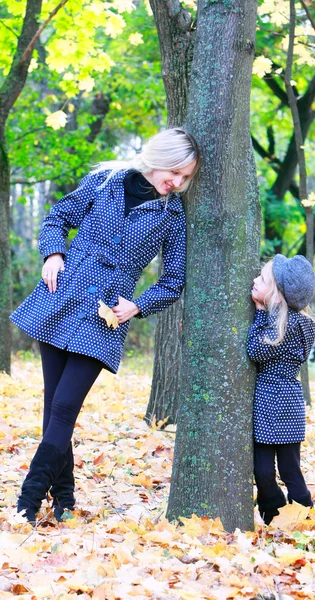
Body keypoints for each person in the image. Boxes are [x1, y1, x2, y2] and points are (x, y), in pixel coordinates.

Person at [10, 128, 199, 523]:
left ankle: (26, 503)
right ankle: (64, 498)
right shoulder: (105, 181)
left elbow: (174, 280)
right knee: (53, 406)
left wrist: (138, 306)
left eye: (185, 178)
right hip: (61, 293)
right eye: (175, 173)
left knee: (64, 405)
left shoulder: (172, 214)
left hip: (106, 312)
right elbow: (58, 216)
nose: (177, 183)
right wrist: (53, 253)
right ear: (159, 157)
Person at [247, 254, 315, 525]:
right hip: (278, 403)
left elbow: (255, 351)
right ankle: (276, 515)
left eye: (262, 280)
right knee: (266, 470)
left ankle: (303, 517)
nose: (254, 280)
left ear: (276, 297)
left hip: (277, 403)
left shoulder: (287, 326)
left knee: (285, 471)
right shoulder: (296, 323)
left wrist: (260, 313)